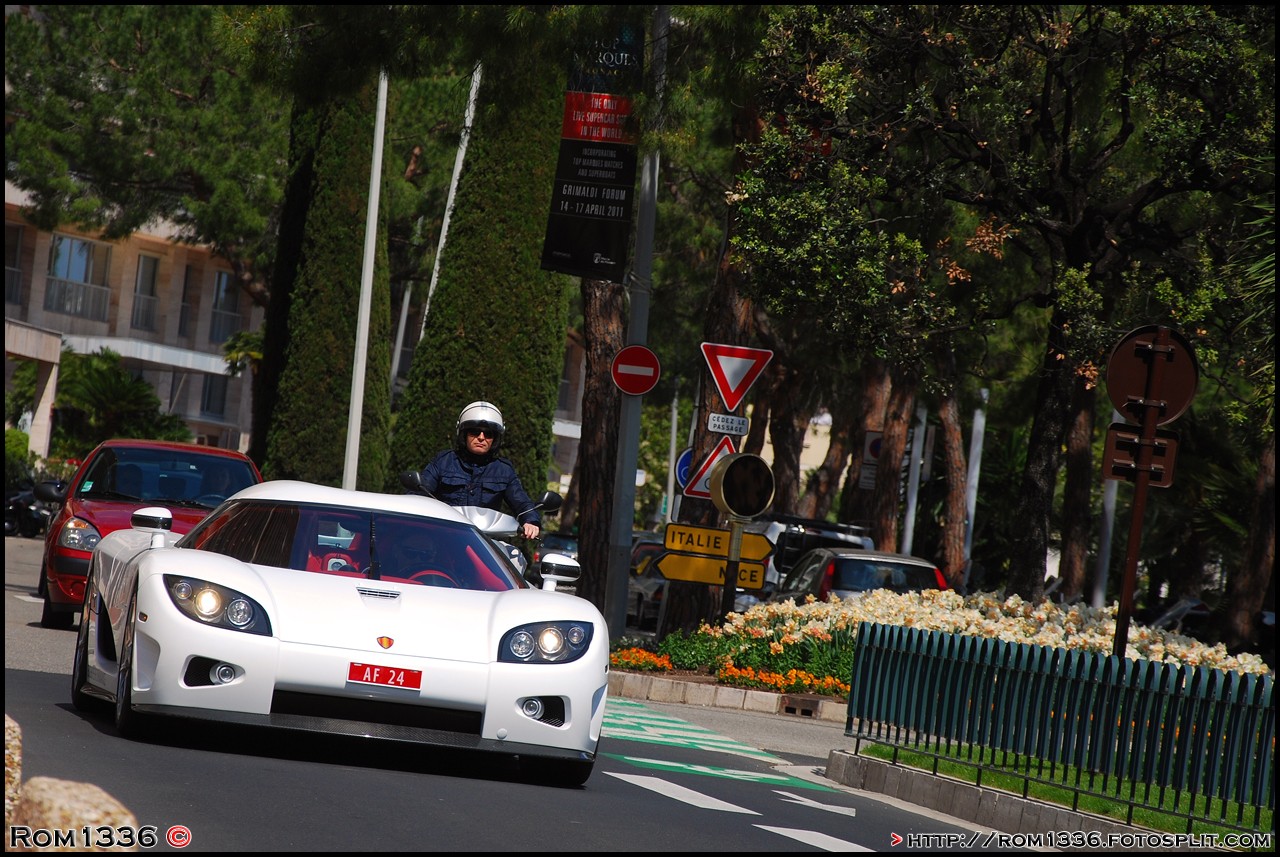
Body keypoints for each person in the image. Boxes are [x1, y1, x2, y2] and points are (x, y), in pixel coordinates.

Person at [418, 401, 541, 540]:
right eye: (475, 431)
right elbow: (419, 493)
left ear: (495, 439)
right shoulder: (444, 461)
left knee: (515, 560)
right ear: (463, 433)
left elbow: (521, 502)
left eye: (488, 434)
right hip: (442, 538)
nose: (481, 437)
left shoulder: (503, 470)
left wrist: (530, 521)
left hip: (484, 544)